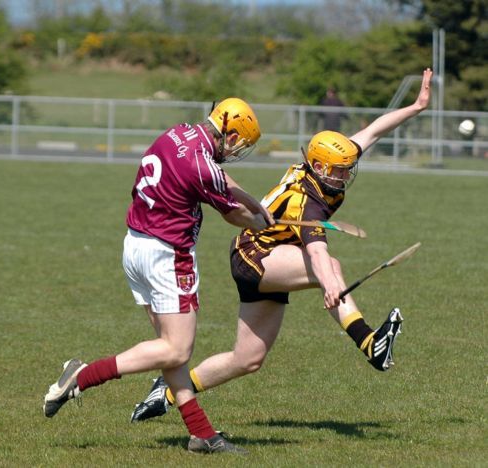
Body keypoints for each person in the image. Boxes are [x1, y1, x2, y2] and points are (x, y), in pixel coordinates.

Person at [130, 69, 434, 430]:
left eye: (347, 169)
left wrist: (416, 106)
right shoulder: (309, 204)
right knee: (330, 266)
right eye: (339, 171)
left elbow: (373, 131)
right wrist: (329, 285)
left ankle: (166, 392)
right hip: (254, 256)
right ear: (319, 166)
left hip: (270, 257)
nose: (345, 176)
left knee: (247, 359)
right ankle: (370, 343)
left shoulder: (327, 166)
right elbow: (317, 254)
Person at [42, 97, 275, 455]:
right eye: (238, 143)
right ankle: (82, 376)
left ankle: (201, 434)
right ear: (229, 133)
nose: (235, 151)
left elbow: (222, 179)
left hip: (135, 247)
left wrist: (257, 203)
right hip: (168, 256)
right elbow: (232, 214)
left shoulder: (179, 133)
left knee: (169, 352)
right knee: (176, 348)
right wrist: (261, 223)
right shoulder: (203, 166)